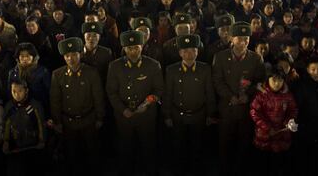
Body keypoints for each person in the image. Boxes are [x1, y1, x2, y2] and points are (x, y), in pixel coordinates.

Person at [106, 30, 164, 176]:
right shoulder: (115, 66)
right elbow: (111, 92)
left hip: (146, 116)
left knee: (148, 148)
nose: (133, 51)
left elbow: (159, 90)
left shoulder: (153, 65)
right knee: (125, 148)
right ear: (124, 48)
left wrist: (146, 104)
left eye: (136, 47)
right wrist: (123, 110)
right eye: (130, 48)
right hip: (123, 116)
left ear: (142, 46)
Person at [212, 21, 266, 175]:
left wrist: (247, 96)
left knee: (243, 143)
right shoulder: (220, 57)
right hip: (226, 107)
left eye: (246, 38)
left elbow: (259, 81)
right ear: (231, 38)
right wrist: (230, 96)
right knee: (224, 143)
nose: (243, 42)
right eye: (239, 38)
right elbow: (217, 80)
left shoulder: (256, 59)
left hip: (246, 110)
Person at [50, 37, 105, 176]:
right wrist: (57, 121)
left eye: (74, 54)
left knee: (92, 154)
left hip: (88, 120)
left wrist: (100, 117)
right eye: (67, 55)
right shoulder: (58, 75)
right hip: (68, 122)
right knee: (71, 155)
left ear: (80, 54)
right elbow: (55, 100)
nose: (71, 58)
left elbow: (98, 97)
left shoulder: (91, 72)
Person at [163, 34, 216, 176]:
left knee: (197, 147)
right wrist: (167, 115)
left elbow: (209, 93)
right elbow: (167, 94)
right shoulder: (171, 70)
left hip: (198, 114)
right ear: (180, 53)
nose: (189, 54)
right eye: (185, 51)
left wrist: (211, 114)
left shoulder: (205, 69)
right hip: (177, 114)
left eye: (193, 50)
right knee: (178, 146)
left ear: (197, 52)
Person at [250, 66, 298, 176]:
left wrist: (289, 121)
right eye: (274, 80)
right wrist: (267, 128)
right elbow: (254, 112)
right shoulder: (261, 95)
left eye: (280, 80)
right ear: (268, 80)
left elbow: (293, 110)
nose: (277, 83)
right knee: (263, 166)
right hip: (264, 136)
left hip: (281, 136)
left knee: (278, 166)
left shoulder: (287, 95)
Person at [3, 80, 45, 176]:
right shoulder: (9, 107)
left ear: (26, 91)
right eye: (14, 91)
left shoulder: (35, 105)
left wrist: (42, 140)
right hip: (16, 145)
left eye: (20, 91)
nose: (17, 94)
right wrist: (5, 141)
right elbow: (6, 125)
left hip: (32, 145)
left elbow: (41, 124)